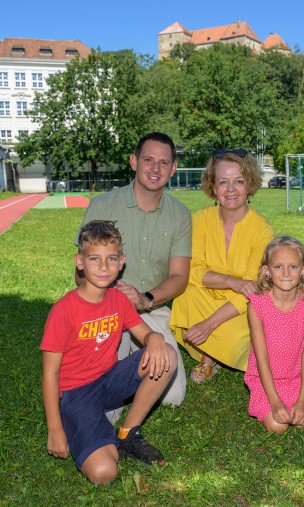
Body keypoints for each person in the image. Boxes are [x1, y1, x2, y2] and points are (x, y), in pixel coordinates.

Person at [41, 220, 177, 484]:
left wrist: (156, 337)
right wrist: (55, 429)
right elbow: (49, 374)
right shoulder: (63, 311)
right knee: (104, 473)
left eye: (111, 259)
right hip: (76, 393)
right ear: (79, 261)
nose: (103, 267)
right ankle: (91, 430)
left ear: (121, 262)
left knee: (167, 354)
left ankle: (128, 433)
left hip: (109, 379)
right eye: (94, 258)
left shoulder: (118, 299)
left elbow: (144, 333)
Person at [76, 132, 191, 419]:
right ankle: (119, 363)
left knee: (172, 397)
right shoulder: (103, 206)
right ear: (133, 162)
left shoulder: (180, 214)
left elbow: (179, 276)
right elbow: (80, 275)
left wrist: (145, 299)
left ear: (173, 168)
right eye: (148, 160)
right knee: (105, 410)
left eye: (163, 163)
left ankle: (129, 362)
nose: (155, 169)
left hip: (150, 309)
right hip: (105, 310)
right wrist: (110, 297)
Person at [170, 149, 273, 383]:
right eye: (223, 182)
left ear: (249, 185)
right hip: (206, 294)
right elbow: (193, 269)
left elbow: (253, 287)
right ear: (213, 188)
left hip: (241, 305)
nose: (231, 189)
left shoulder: (261, 229)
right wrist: (231, 281)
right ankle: (215, 349)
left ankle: (208, 357)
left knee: (239, 334)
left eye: (239, 181)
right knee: (184, 298)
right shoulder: (200, 220)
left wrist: (209, 324)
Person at [244, 236, 304, 434]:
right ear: (267, 271)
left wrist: (303, 401)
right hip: (264, 379)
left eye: (293, 267)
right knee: (278, 427)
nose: (286, 273)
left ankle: (300, 399)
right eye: (278, 266)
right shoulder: (257, 305)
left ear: (303, 270)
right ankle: (270, 401)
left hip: (296, 378)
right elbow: (260, 358)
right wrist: (276, 402)